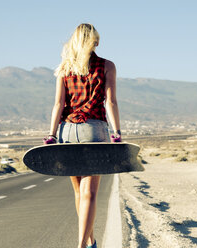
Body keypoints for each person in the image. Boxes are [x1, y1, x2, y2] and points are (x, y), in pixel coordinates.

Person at [44, 23, 121, 248]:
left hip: (66, 131)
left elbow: (58, 104)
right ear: (94, 42)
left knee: (79, 192)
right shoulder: (107, 66)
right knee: (90, 193)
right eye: (96, 40)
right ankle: (81, 245)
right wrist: (117, 133)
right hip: (93, 130)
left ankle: (91, 241)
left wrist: (51, 134)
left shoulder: (64, 67)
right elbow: (111, 102)